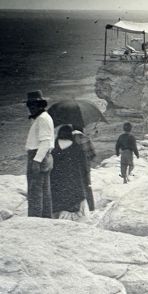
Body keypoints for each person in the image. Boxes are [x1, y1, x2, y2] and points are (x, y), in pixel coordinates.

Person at [50, 125, 90, 221]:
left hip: (56, 186)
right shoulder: (77, 148)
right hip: (74, 187)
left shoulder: (53, 148)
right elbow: (84, 168)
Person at [25, 90, 54, 218]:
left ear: (41, 105)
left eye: (34, 105)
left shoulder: (42, 119)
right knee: (43, 190)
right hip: (43, 156)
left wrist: (36, 161)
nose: (31, 108)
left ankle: (35, 218)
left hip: (37, 156)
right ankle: (45, 216)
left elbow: (46, 142)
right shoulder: (42, 117)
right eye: (30, 105)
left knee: (35, 190)